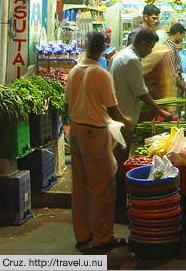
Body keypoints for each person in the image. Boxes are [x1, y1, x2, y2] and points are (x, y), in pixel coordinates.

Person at [64, 31, 133, 252]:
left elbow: (67, 104)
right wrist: (126, 120)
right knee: (102, 187)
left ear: (86, 47)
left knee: (81, 185)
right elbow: (112, 109)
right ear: (104, 48)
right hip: (95, 133)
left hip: (76, 132)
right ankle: (103, 237)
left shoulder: (74, 72)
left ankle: (83, 235)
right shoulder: (101, 74)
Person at [109, 29, 172, 214]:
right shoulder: (132, 60)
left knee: (119, 161)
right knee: (120, 164)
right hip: (124, 121)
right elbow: (141, 92)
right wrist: (161, 111)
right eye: (150, 47)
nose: (151, 51)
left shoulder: (120, 54)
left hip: (118, 118)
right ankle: (119, 207)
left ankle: (118, 204)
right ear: (142, 43)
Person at [142, 23, 186, 104]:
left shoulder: (168, 46)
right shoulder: (169, 50)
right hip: (173, 90)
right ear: (178, 34)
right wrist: (184, 89)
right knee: (174, 115)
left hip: (172, 89)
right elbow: (173, 75)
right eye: (183, 36)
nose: (183, 39)